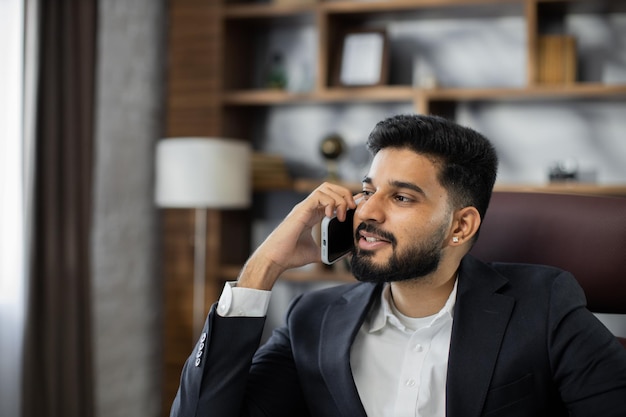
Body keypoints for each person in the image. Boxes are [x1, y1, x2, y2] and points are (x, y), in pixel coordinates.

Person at [170, 114, 626, 417]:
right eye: (368, 190)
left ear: (461, 226)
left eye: (402, 197)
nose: (367, 211)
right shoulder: (313, 319)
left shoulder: (542, 304)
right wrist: (263, 266)